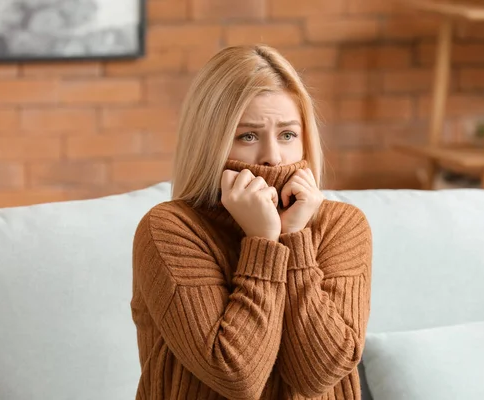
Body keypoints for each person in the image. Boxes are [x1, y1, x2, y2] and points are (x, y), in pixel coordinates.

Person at [131, 44, 372, 400]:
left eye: (288, 135)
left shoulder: (343, 226)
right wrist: (262, 243)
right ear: (210, 143)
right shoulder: (169, 229)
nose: (273, 158)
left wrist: (294, 237)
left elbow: (319, 376)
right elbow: (236, 376)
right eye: (248, 136)